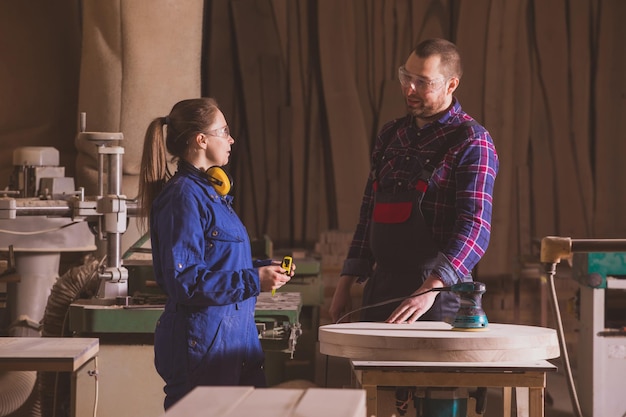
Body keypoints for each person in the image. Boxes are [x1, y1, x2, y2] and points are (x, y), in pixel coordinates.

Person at [138, 97, 294, 410]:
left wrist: (264, 269)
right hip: (203, 347)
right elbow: (184, 281)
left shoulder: (210, 194)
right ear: (201, 139)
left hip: (233, 342)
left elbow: (220, 261)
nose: (231, 139)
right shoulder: (183, 197)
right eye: (224, 131)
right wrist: (253, 280)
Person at [329, 38, 499, 325]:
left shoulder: (472, 142)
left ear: (451, 85)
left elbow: (475, 228)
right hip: (381, 288)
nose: (409, 88)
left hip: (440, 296)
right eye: (406, 77)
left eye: (423, 82)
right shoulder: (390, 136)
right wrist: (345, 283)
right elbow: (369, 212)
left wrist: (432, 287)